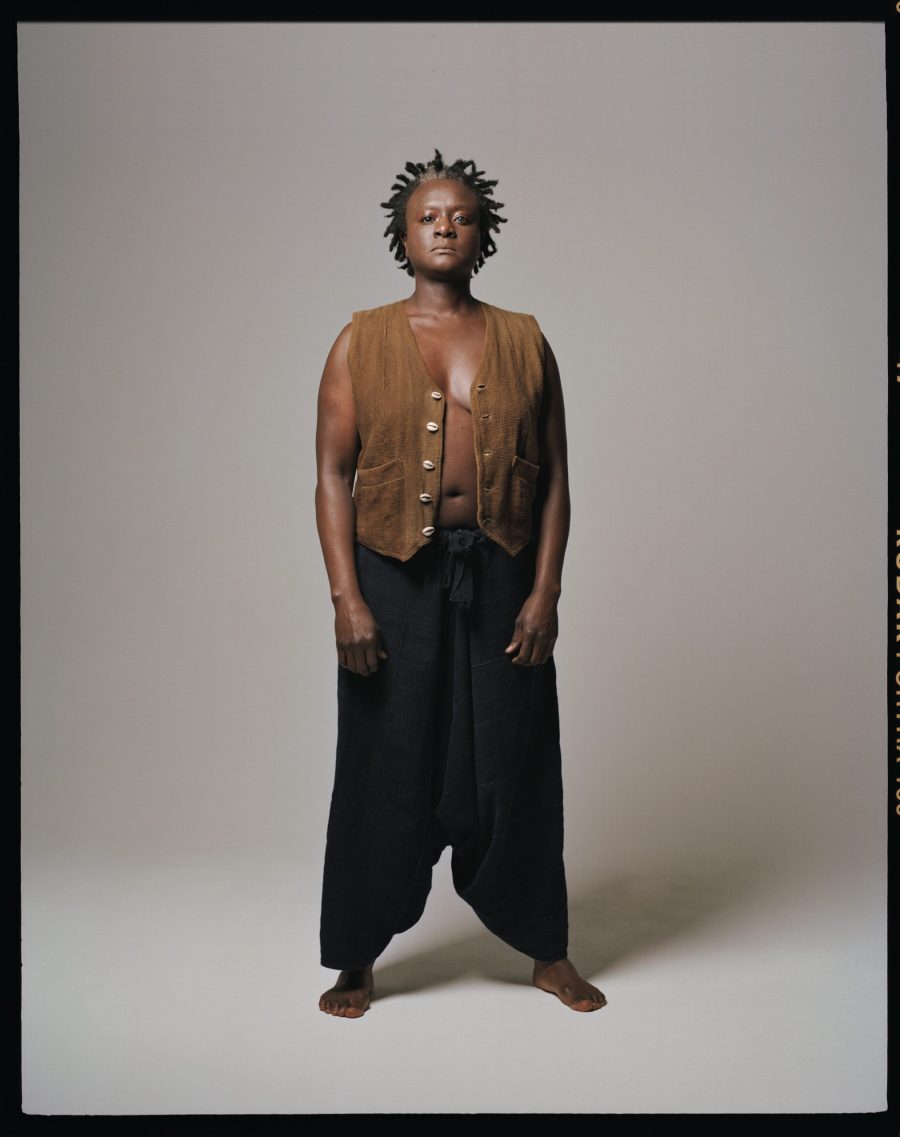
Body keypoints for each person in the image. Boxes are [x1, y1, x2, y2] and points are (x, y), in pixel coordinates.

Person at [314, 150, 607, 1018]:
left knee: (515, 758)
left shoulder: (525, 339)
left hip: (504, 571)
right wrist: (347, 598)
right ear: (402, 235)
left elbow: (556, 476)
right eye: (427, 216)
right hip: (390, 576)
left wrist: (546, 592)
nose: (444, 226)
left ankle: (546, 949)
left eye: (461, 215)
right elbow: (330, 473)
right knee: (382, 760)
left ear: (484, 234)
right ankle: (356, 956)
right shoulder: (360, 339)